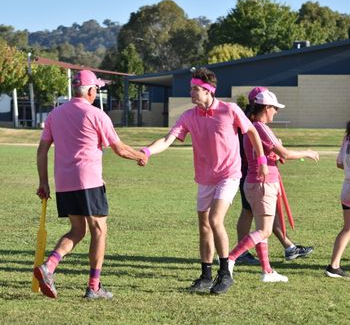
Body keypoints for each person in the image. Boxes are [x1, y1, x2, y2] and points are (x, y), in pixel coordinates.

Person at [139, 67, 268, 295]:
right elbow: (168, 140)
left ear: (209, 91)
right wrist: (147, 152)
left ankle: (225, 273)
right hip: (205, 178)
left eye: (196, 89)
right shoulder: (189, 116)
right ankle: (206, 275)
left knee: (215, 219)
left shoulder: (230, 110)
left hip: (229, 174)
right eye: (191, 89)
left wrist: (262, 159)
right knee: (204, 226)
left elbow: (252, 133)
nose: (192, 93)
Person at [34, 70, 148, 299]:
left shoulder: (55, 114)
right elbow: (119, 149)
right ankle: (94, 287)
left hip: (64, 183)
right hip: (89, 182)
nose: (96, 92)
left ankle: (48, 268)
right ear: (90, 90)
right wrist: (141, 156)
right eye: (96, 89)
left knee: (77, 230)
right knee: (99, 231)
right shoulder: (96, 115)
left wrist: (44, 182)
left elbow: (42, 150)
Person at [228, 90, 319, 282]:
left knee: (263, 229)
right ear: (266, 108)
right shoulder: (260, 127)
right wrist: (307, 152)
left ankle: (267, 271)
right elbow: (284, 153)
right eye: (274, 108)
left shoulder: (250, 126)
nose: (276, 112)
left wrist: (274, 155)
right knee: (264, 230)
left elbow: (269, 153)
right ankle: (230, 259)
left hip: (255, 183)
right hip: (263, 184)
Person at [325, 121, 350, 278]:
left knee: (348, 228)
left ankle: (334, 266)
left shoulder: (347, 138)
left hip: (347, 187)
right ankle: (333, 266)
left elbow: (339, 163)